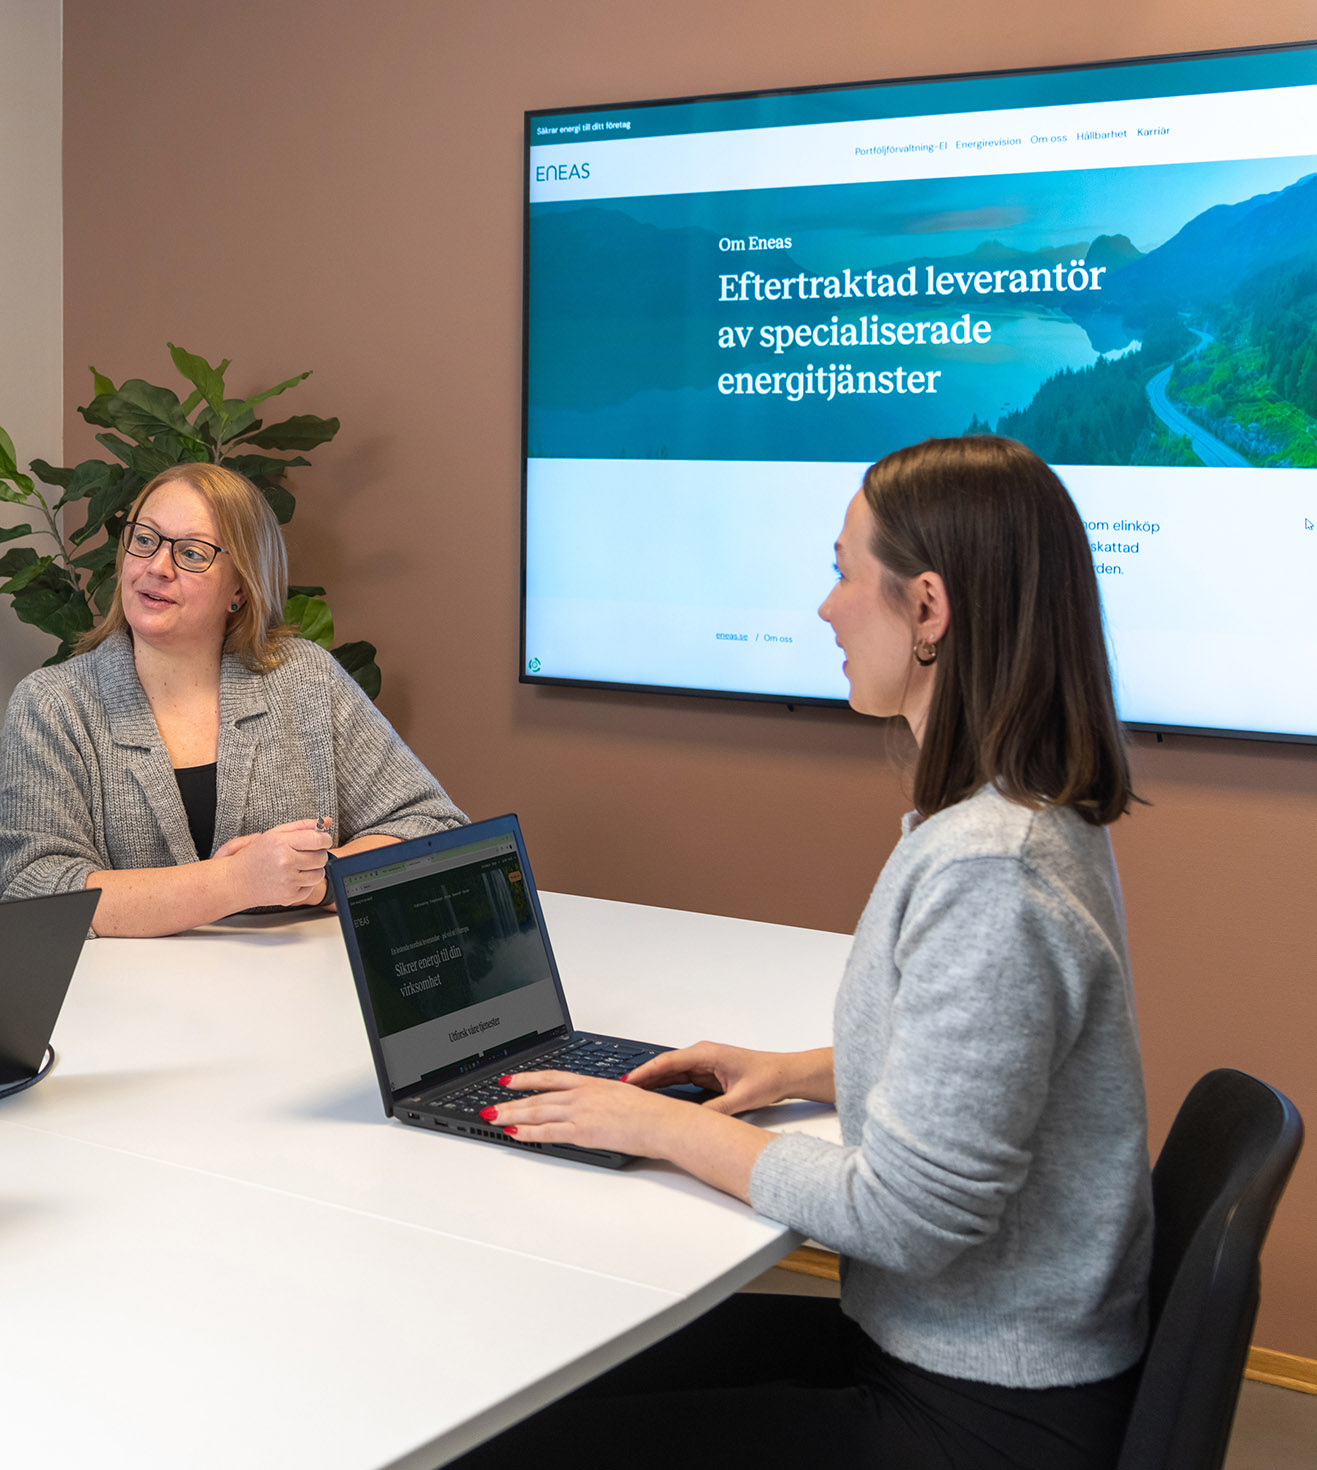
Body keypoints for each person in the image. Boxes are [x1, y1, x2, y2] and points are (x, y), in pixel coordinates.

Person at [459, 436, 1151, 1469]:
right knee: (535, 1383)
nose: (826, 607)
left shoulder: (991, 868)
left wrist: (655, 1127)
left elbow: (907, 1218)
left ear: (927, 610)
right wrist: (794, 1073)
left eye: (840, 572)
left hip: (982, 1408)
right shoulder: (1014, 814)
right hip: (956, 1349)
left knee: (508, 1443)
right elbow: (996, 1067)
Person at [0, 462, 466, 936]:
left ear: (239, 587)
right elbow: (35, 892)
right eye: (144, 539)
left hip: (299, 992)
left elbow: (432, 829)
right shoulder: (52, 704)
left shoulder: (306, 679)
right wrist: (234, 882)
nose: (157, 567)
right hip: (133, 1003)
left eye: (192, 554)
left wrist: (319, 879)